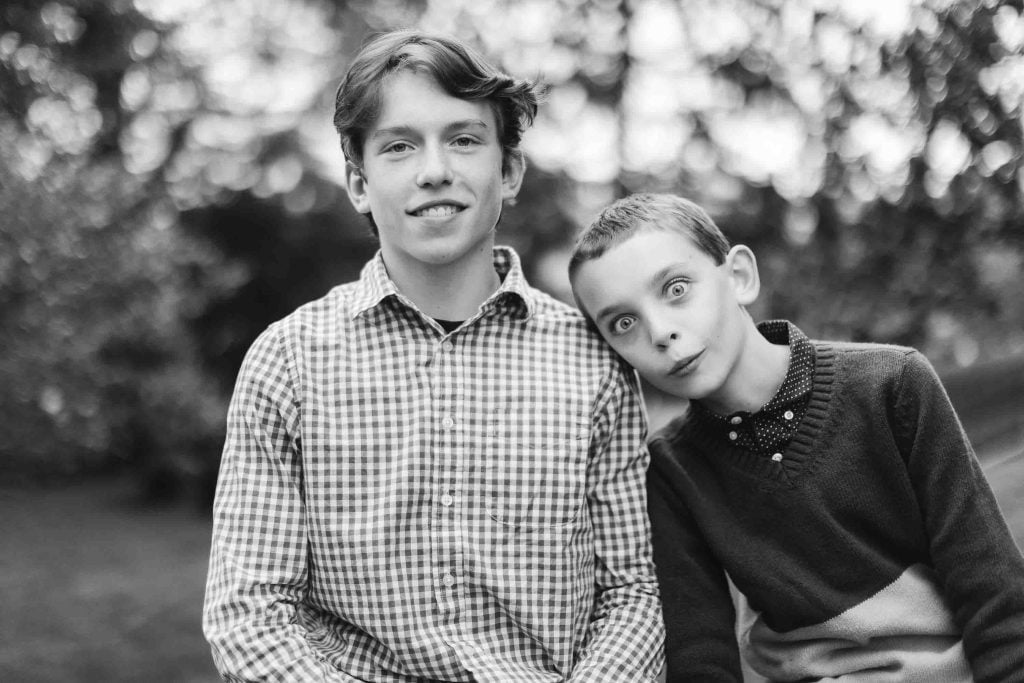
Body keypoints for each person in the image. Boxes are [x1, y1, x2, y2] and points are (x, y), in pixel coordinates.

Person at [203, 30, 664, 683]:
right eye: (399, 146)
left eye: (465, 139)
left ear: (509, 172)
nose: (435, 169)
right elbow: (251, 616)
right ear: (360, 184)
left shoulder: (595, 363)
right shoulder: (290, 362)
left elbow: (633, 592)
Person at [567, 192, 1024, 682]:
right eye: (624, 323)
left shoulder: (891, 382)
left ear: (738, 276)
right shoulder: (671, 469)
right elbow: (700, 654)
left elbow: (990, 582)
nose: (659, 332)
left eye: (676, 289)